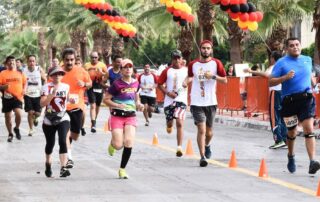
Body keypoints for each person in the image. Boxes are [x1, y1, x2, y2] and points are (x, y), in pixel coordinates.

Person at [269, 37, 320, 174]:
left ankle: (312, 161)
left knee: (309, 129)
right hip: (289, 102)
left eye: (297, 44)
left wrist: (313, 83)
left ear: (300, 46)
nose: (295, 47)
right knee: (292, 132)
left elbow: (309, 74)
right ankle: (291, 156)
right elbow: (270, 82)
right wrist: (284, 78)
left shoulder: (307, 59)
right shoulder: (281, 63)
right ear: (287, 48)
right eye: (291, 45)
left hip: (306, 99)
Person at [184, 40, 227, 167]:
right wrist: (185, 82)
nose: (206, 50)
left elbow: (225, 80)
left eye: (208, 48)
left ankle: (207, 145)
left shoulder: (216, 63)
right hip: (196, 102)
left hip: (211, 102)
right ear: (200, 49)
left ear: (211, 50)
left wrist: (212, 77)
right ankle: (202, 156)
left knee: (209, 132)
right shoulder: (193, 64)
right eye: (203, 48)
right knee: (201, 129)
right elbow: (190, 76)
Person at [104, 59, 143, 179]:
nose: (128, 69)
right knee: (118, 145)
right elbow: (106, 99)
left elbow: (136, 99)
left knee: (129, 142)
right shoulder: (116, 84)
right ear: (121, 70)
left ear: (132, 69)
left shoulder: (136, 83)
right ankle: (112, 144)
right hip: (117, 116)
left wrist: (139, 104)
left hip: (130, 116)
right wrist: (117, 105)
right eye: (125, 67)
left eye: (130, 67)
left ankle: (122, 169)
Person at [246, 51, 287, 149]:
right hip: (283, 93)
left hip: (275, 92)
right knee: (281, 117)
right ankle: (284, 140)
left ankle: (279, 140)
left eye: (271, 57)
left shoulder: (274, 67)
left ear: (273, 58)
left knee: (274, 117)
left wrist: (251, 71)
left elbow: (266, 75)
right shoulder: (284, 66)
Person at [61, 48, 92, 169]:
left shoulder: (81, 71)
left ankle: (66, 144)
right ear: (63, 60)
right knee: (65, 134)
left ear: (75, 60)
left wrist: (84, 84)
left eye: (71, 60)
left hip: (76, 107)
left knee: (75, 136)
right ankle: (69, 158)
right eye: (67, 60)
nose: (69, 62)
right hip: (62, 108)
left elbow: (90, 84)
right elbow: (50, 86)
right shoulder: (58, 72)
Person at [40, 66, 71, 178]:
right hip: (49, 119)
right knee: (50, 144)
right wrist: (51, 95)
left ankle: (63, 168)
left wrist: (71, 100)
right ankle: (48, 163)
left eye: (60, 73)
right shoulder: (46, 87)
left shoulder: (66, 86)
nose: (58, 75)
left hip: (62, 117)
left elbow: (67, 100)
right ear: (50, 76)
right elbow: (42, 104)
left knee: (63, 140)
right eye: (55, 73)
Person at [158, 50, 188, 157]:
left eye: (178, 58)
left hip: (181, 100)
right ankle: (169, 125)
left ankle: (179, 147)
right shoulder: (167, 71)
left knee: (179, 123)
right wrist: (167, 92)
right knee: (170, 123)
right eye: (175, 58)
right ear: (172, 59)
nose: (177, 60)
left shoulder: (186, 70)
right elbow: (160, 84)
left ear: (181, 59)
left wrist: (186, 82)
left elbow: (192, 77)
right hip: (169, 101)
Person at [0, 56, 27, 142]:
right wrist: (4, 87)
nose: (11, 62)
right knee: (7, 117)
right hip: (7, 98)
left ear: (15, 62)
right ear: (7, 63)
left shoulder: (20, 72)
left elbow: (25, 82)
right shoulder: (3, 73)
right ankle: (10, 133)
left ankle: (17, 128)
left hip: (17, 97)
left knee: (19, 113)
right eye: (9, 61)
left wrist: (24, 90)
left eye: (13, 61)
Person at [23, 55, 47, 136]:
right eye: (30, 61)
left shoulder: (39, 69)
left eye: (33, 61)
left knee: (37, 113)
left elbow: (45, 79)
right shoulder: (24, 70)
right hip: (28, 94)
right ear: (27, 62)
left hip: (38, 94)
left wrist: (45, 90)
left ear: (35, 62)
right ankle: (31, 129)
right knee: (30, 112)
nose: (32, 63)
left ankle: (36, 118)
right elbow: (22, 82)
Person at [84, 51, 107, 133]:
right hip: (91, 86)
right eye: (92, 57)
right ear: (90, 58)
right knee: (92, 106)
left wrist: (102, 73)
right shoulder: (87, 65)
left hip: (99, 86)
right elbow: (83, 75)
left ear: (98, 58)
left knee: (97, 106)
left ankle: (94, 120)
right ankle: (93, 124)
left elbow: (107, 76)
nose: (94, 59)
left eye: (95, 57)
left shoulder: (102, 65)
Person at [75, 57, 87, 136]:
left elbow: (89, 84)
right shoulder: (68, 72)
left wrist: (84, 84)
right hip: (71, 96)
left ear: (81, 64)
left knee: (83, 113)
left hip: (82, 95)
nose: (77, 65)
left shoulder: (84, 72)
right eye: (76, 63)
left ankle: (82, 127)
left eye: (78, 63)